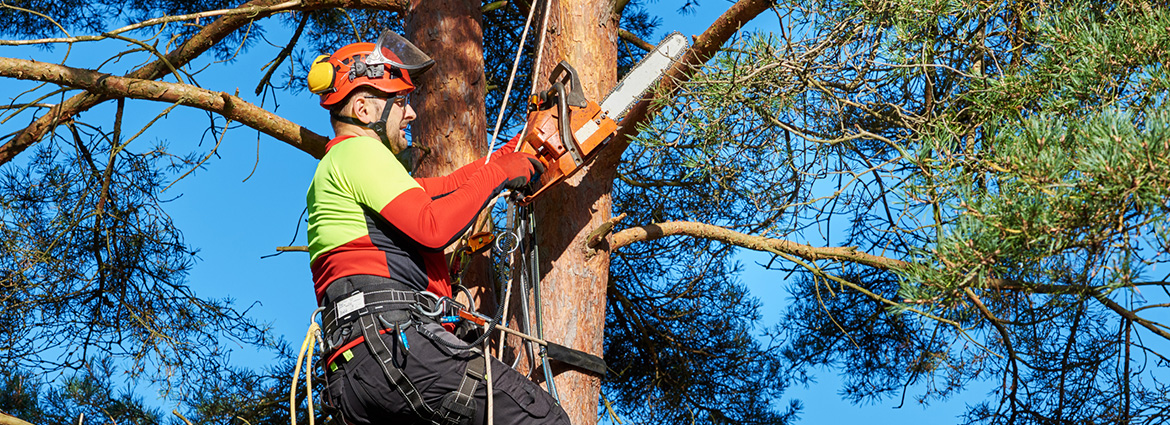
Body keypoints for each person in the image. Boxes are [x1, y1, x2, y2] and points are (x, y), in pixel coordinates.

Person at [304, 30, 570, 425]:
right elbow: (433, 225)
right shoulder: (358, 152)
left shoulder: (341, 171)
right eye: (400, 102)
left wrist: (517, 149)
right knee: (542, 419)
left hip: (359, 370)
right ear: (363, 110)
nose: (410, 113)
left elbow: (446, 190)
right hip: (393, 345)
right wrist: (498, 174)